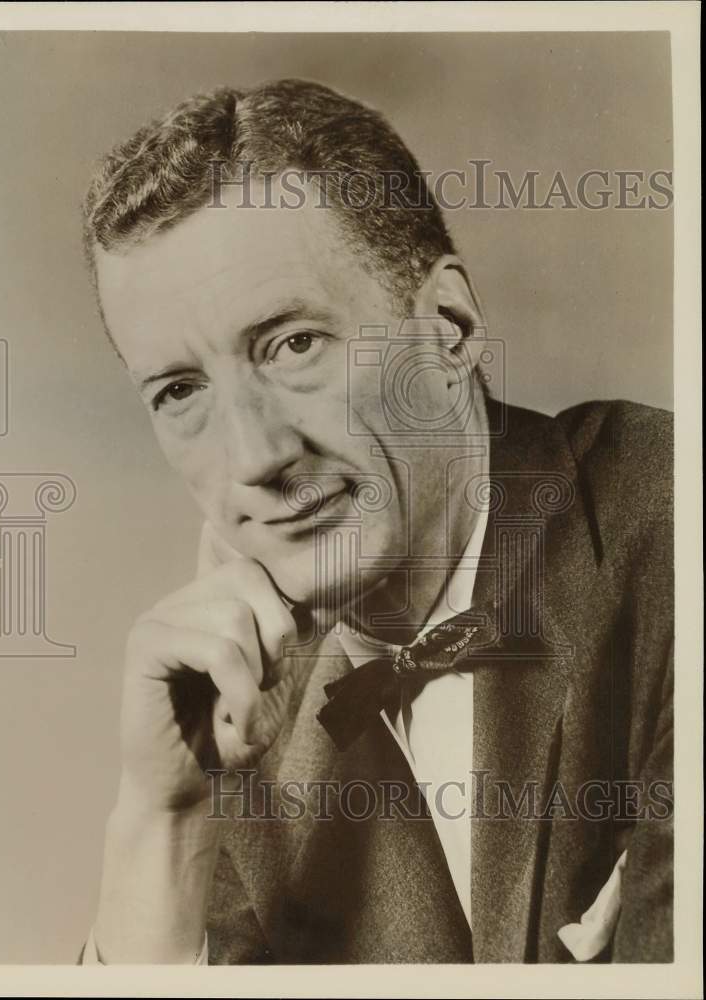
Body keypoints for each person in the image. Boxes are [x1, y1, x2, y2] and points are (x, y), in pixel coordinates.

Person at [78, 79, 673, 964]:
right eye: (179, 392)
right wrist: (160, 820)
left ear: (450, 327)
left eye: (293, 344)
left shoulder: (671, 517)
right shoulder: (235, 735)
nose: (253, 458)